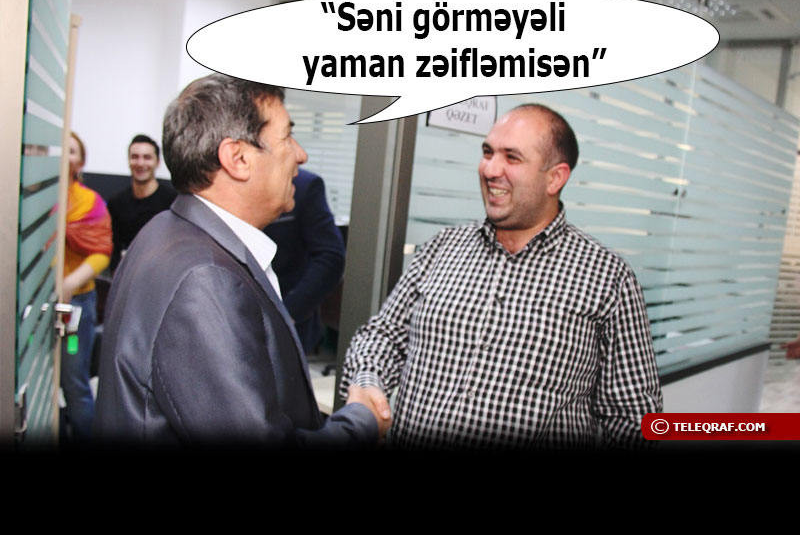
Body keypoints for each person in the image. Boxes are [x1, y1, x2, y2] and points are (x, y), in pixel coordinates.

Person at [340, 104, 663, 450]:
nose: (490, 169)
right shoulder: (441, 249)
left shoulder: (607, 278)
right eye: (487, 152)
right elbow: (383, 337)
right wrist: (367, 380)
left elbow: (632, 417)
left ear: (555, 178)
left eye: (512, 157)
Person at [93, 74, 389, 448]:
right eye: (287, 137)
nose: (300, 154)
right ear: (238, 158)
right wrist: (360, 422)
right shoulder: (206, 279)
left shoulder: (165, 230)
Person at [62, 131, 112, 443]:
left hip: (75, 309)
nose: (63, 155)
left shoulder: (89, 202)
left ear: (80, 162)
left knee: (74, 381)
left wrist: (70, 283)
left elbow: (101, 251)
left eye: (71, 151)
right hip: (34, 308)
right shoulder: (30, 199)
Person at [264, 168, 345, 355]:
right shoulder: (214, 183)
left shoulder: (304, 185)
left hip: (290, 324)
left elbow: (331, 255)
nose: (301, 156)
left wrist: (290, 311)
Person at [107, 134, 177, 272]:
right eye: (135, 157)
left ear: (157, 162)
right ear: (128, 160)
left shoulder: (173, 201)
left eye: (147, 157)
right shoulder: (116, 203)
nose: (140, 163)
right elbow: (114, 250)